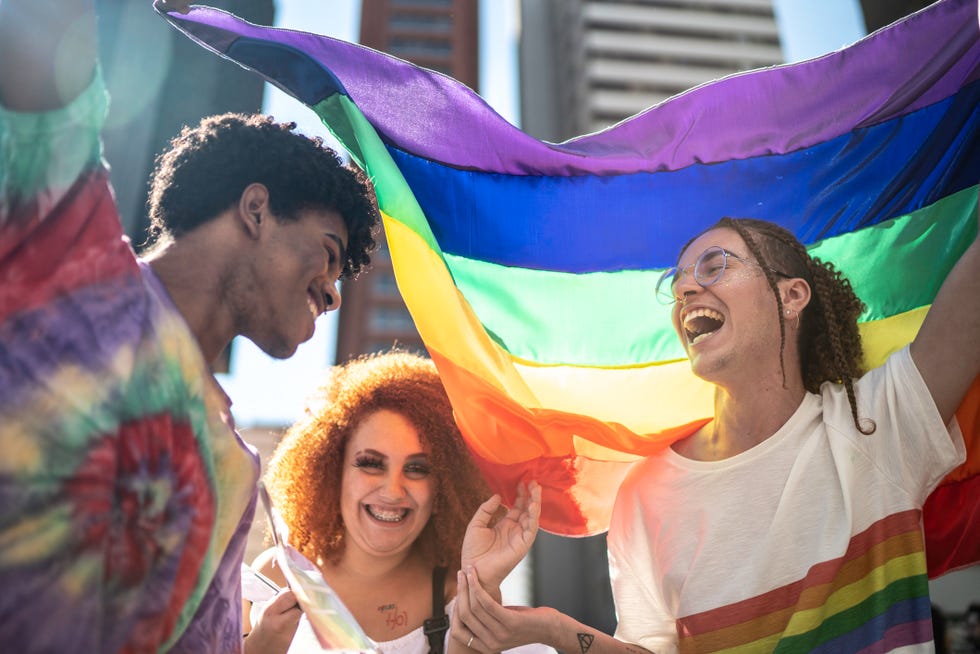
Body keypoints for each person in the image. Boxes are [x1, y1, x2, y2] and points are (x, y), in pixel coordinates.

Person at [0, 0, 379, 651]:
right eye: (330, 253)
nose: (335, 292)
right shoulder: (64, 249)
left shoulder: (233, 468)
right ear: (257, 210)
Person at [452, 210, 978, 654]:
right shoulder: (645, 497)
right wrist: (550, 629)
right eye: (677, 280)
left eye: (714, 265)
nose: (684, 288)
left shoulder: (878, 426)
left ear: (793, 296)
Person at [243, 350, 550, 654]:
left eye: (417, 469)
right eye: (371, 464)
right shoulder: (276, 574)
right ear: (331, 469)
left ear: (444, 485)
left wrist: (481, 589)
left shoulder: (457, 591)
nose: (392, 491)